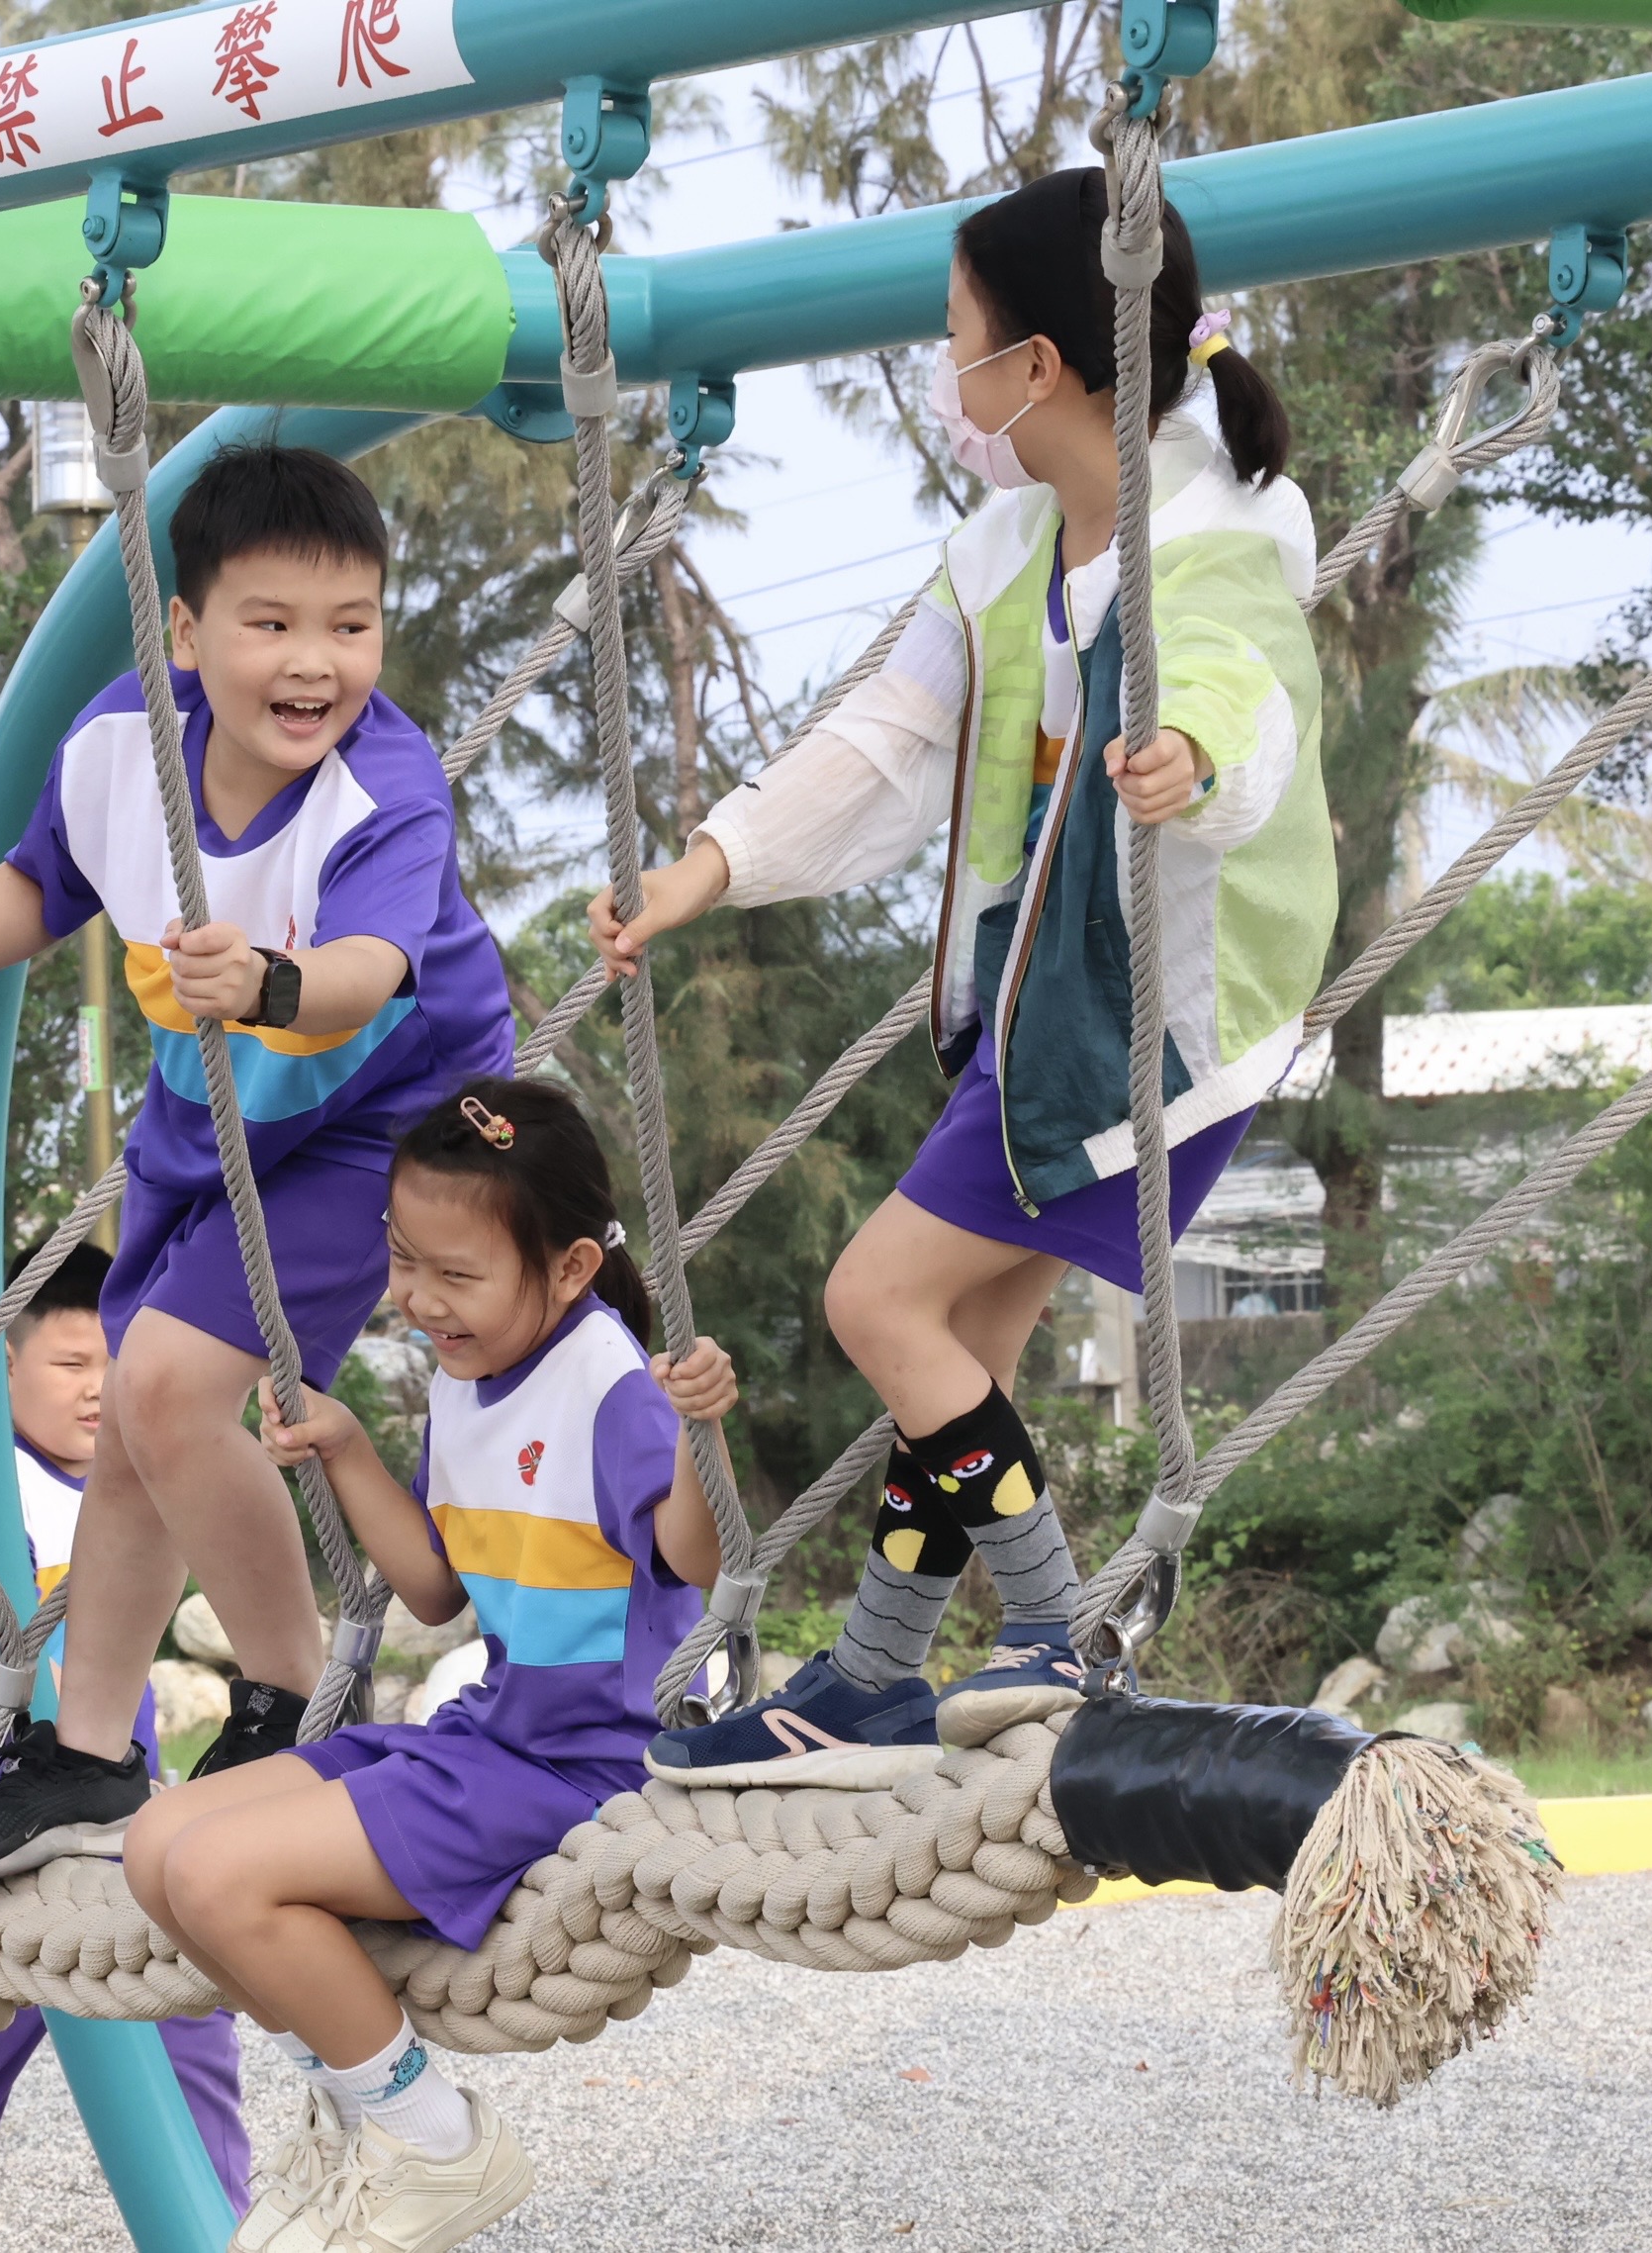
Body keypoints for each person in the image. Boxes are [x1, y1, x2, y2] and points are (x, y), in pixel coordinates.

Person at [598, 165, 1328, 1785]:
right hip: (1036, 1002)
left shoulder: (1213, 531)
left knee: (873, 1299)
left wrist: (1190, 754)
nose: (947, 374)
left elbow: (1244, 693)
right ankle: (871, 1669)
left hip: (1151, 1022)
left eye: (955, 339)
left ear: (1036, 366)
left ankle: (1057, 1625)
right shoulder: (1006, 547)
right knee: (959, 1357)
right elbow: (884, 735)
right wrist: (702, 868)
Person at [0, 442, 515, 1877]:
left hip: (385, 1116)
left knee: (172, 1388)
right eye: (271, 623)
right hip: (210, 1100)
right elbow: (38, 883)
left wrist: (271, 982)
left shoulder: (385, 783)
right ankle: (90, 1749)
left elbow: (371, 968)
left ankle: (290, 1694)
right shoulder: (122, 742)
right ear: (185, 633)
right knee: (131, 1419)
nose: (314, 663)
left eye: (351, 625)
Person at [123, 1078, 741, 2253]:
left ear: (569, 1269)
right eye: (403, 1260)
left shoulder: (608, 1385)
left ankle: (435, 2140)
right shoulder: (468, 1375)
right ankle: (363, 2117)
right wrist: (349, 1448)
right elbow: (435, 1589)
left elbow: (692, 1559)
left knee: (215, 1876)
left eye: (455, 1274)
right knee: (159, 1846)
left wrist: (699, 1435)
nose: (418, 1299)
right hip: (494, 1733)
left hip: (589, 1759)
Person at [0, 1240, 253, 2253]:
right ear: (4, 1365)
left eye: (115, 1366)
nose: (97, 1390)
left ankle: (217, 2229)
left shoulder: (141, 1484)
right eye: (72, 1363)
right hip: (9, 1835)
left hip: (122, 1837)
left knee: (191, 2039)